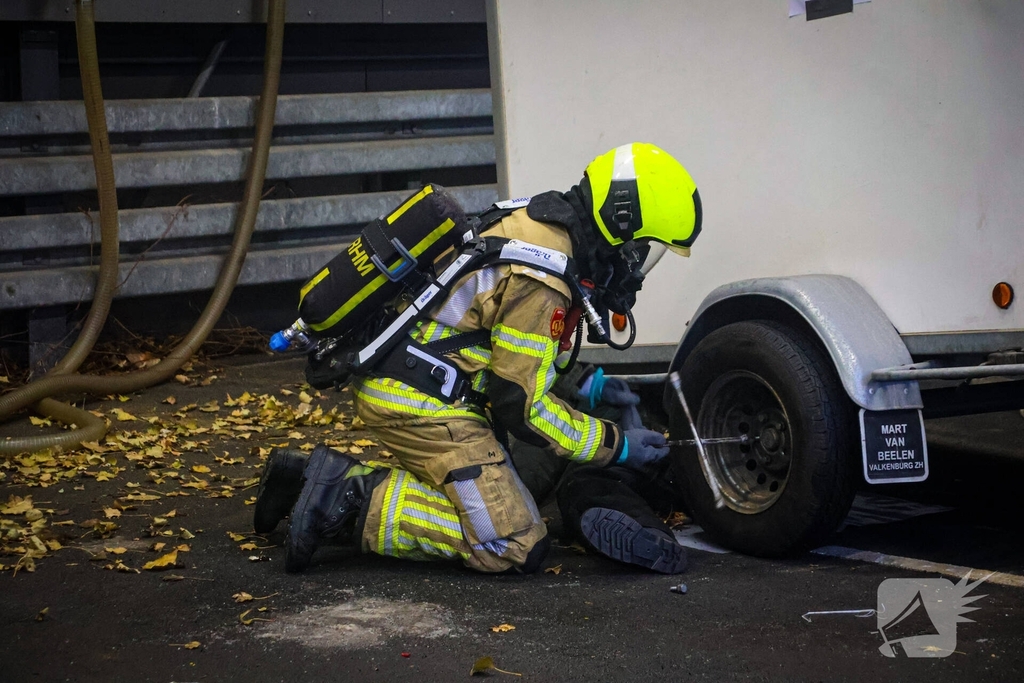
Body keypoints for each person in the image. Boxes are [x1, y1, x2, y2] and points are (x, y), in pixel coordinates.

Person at [255, 142, 702, 575]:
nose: (635, 267)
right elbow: (522, 407)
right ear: (620, 223)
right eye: (639, 249)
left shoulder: (538, 221)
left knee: (518, 487)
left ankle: (297, 483)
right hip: (421, 401)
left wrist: (588, 385)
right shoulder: (543, 278)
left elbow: (503, 344)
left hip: (417, 377)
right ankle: (345, 496)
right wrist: (616, 445)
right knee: (512, 542)